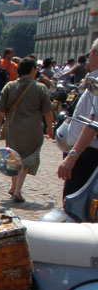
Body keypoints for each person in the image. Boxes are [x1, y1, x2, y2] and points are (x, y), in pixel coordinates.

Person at [0, 57, 54, 202]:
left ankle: (13, 186)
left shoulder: (9, 86)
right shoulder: (40, 88)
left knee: (13, 157)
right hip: (32, 128)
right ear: (33, 70)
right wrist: (50, 127)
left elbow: (1, 108)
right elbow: (48, 111)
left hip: (13, 126)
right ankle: (18, 190)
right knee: (28, 157)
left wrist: (9, 118)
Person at [57, 40, 98, 199]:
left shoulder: (97, 81)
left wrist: (72, 157)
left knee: (75, 203)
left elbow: (93, 125)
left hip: (88, 153)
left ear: (96, 54)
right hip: (88, 151)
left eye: (90, 55)